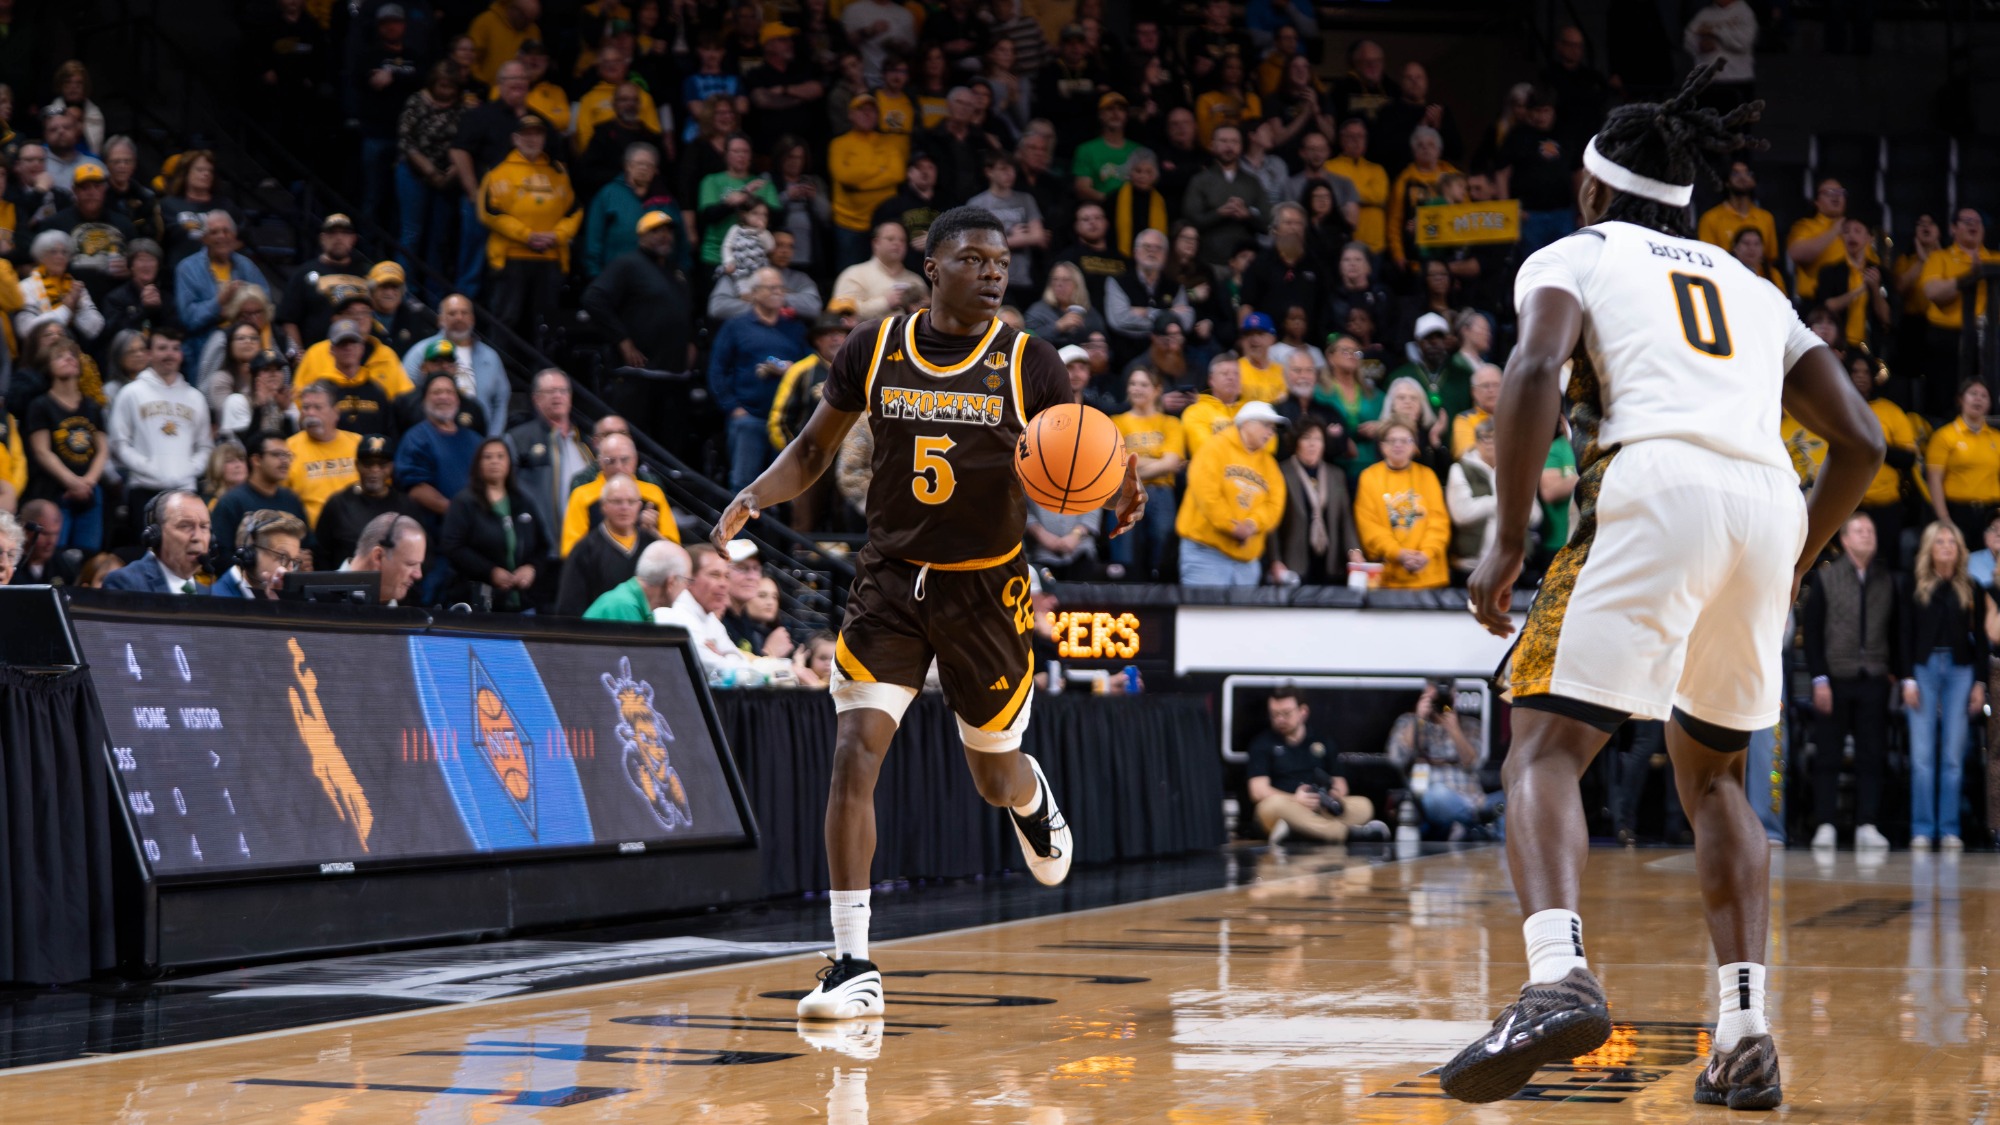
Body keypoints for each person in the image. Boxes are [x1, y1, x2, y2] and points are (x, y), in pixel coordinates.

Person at [1446, 65, 1883, 1109]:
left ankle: (1555, 976)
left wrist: (1506, 540)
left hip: (1654, 480)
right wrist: (1788, 560)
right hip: (1767, 500)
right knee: (1715, 778)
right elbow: (1859, 443)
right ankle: (1742, 1032)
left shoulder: (1576, 252)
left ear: (1592, 194)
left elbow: (1535, 370)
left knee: (1542, 746)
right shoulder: (1753, 285)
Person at [711, 206, 1143, 1020]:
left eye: (1001, 261)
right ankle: (851, 962)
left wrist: (1123, 480)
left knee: (990, 774)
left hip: (985, 592)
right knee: (853, 751)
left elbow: (1091, 445)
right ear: (932, 268)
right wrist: (754, 495)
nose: (992, 273)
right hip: (889, 582)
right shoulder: (874, 347)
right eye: (974, 259)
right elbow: (812, 449)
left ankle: (1029, 795)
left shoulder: (1030, 360)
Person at [1799, 514, 1896, 851]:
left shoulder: (1885, 578)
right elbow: (1811, 633)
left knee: (1872, 754)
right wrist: (1819, 678)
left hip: (1873, 678)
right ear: (1844, 539)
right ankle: (1825, 822)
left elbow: (1895, 629)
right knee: (1828, 753)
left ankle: (1867, 824)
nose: (1867, 535)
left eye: (1871, 530)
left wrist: (1893, 670)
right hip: (1835, 679)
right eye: (1859, 530)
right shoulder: (1827, 579)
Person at [477, 114, 580, 336]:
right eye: (526, 134)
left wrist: (557, 235)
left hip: (550, 257)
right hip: (511, 257)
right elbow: (488, 212)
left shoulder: (559, 172)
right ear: (515, 138)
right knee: (505, 319)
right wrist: (527, 235)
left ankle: (545, 371)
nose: (532, 139)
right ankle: (499, 369)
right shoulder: (498, 173)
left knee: (546, 325)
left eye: (537, 134)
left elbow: (574, 210)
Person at [710, 267, 810, 490]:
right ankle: (742, 526)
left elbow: (811, 365)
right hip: (749, 417)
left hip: (787, 421)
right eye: (771, 288)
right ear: (754, 293)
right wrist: (733, 408)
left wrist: (791, 369)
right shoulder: (736, 327)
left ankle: (780, 525)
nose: (777, 292)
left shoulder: (795, 328)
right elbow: (717, 370)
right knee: (744, 484)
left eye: (780, 288)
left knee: (787, 486)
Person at [1247, 688, 1386, 844]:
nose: (1280, 720)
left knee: (1364, 805)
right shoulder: (1262, 743)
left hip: (1319, 808)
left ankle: (1298, 832)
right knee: (1270, 806)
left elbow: (1340, 785)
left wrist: (1329, 797)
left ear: (1303, 711)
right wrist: (1297, 799)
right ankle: (1345, 834)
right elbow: (1257, 791)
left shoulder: (1323, 741)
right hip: (1287, 805)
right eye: (1275, 715)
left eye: (1286, 713)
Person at [109, 329, 212, 537]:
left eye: (175, 349)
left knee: (184, 551)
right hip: (144, 490)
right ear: (149, 354)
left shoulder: (196, 397)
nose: (170, 354)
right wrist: (148, 467)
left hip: (186, 490)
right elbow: (119, 443)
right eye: (162, 348)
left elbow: (205, 446)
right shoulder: (131, 393)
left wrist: (190, 468)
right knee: (150, 553)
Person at [1175, 399, 1286, 586]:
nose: (1270, 433)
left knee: (1240, 616)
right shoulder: (1214, 448)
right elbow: (1206, 494)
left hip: (1246, 562)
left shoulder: (1270, 465)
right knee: (1205, 615)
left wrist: (1252, 524)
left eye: (1273, 429)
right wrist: (1231, 526)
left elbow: (1275, 504)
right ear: (1247, 423)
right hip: (1205, 554)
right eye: (1266, 426)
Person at [22, 337, 107, 552]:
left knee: (87, 552)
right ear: (48, 367)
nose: (68, 359)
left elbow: (103, 448)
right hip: (55, 489)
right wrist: (72, 482)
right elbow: (41, 451)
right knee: (54, 551)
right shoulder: (40, 405)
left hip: (90, 490)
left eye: (71, 355)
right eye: (59, 356)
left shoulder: (92, 406)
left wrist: (88, 482)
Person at [1386, 680, 1500, 837]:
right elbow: (1396, 758)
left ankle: (1471, 827)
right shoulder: (1408, 722)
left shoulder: (1469, 725)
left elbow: (1474, 763)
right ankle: (1478, 823)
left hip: (1472, 798)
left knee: (1510, 798)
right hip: (1434, 799)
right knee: (1437, 795)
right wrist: (1418, 719)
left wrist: (1454, 730)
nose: (1440, 700)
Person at [441, 438, 543, 610]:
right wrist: (490, 572)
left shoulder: (524, 501)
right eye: (487, 457)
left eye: (500, 456)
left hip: (523, 604)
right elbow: (452, 547)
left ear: (510, 462)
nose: (494, 461)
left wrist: (531, 569)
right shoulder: (464, 502)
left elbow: (543, 547)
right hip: (477, 603)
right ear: (478, 464)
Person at [1919, 207, 2000, 415]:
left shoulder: (1995, 259)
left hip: (1990, 340)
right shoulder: (1940, 258)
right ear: (1953, 228)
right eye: (1966, 221)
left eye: (1977, 221)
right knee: (1945, 402)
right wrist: (1970, 275)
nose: (1973, 225)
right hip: (1948, 342)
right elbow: (1933, 292)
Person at [1109, 368, 1185, 581]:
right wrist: (1157, 463)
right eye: (1133, 383)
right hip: (1126, 491)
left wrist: (1134, 465)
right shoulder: (1117, 421)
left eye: (1143, 384)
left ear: (1157, 390)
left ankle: (1157, 576)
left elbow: (1171, 462)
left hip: (1161, 491)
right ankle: (1123, 579)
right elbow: (1115, 462)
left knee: (1162, 537)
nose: (1136, 389)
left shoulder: (1171, 423)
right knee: (1124, 539)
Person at [1354, 421, 1449, 589]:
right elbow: (1370, 527)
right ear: (1382, 446)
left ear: (1414, 445)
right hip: (1387, 578)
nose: (1398, 445)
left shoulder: (1427, 476)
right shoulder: (1368, 477)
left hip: (1430, 575)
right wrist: (1398, 554)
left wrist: (1427, 553)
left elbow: (1439, 522)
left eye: (1405, 440)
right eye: (1392, 440)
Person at [505, 369, 593, 548]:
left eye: (563, 391)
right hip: (542, 546)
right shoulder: (518, 438)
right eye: (550, 391)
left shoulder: (585, 443)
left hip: (584, 546)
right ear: (536, 399)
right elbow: (502, 489)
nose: (557, 396)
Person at [1447, 417, 1542, 580]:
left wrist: (1488, 505)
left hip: (1513, 564)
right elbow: (1462, 514)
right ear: (1477, 441)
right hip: (1471, 565)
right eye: (1486, 437)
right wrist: (1505, 503)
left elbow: (1534, 515)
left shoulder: (1518, 469)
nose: (1491, 443)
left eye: (1497, 438)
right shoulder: (1460, 469)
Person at [314, 434, 424, 573]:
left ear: (392, 467)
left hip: (394, 590)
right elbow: (321, 555)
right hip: (345, 588)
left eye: (382, 464)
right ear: (357, 465)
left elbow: (421, 556)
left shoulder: (407, 506)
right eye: (368, 464)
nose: (374, 470)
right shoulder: (338, 504)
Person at [402, 295, 509, 438]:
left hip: (479, 435)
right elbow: (407, 394)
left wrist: (492, 439)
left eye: (464, 313)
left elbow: (501, 401)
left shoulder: (490, 356)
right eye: (452, 313)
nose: (459, 318)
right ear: (440, 319)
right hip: (431, 435)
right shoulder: (421, 351)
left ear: (473, 319)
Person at [556, 473, 662, 615]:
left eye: (631, 501)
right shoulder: (585, 549)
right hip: (601, 630)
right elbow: (569, 606)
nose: (624, 507)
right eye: (617, 502)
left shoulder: (652, 544)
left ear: (639, 506)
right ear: (604, 506)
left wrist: (656, 533)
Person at [560, 432, 677, 555]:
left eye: (625, 460)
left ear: (635, 459)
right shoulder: (582, 495)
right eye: (610, 461)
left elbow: (674, 550)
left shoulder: (653, 494)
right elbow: (571, 551)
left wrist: (652, 532)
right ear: (600, 462)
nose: (618, 467)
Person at [1270, 422, 1357, 586]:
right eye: (1306, 438)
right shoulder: (1281, 472)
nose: (1312, 444)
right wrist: (1275, 560)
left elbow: (1345, 519)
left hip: (1330, 563)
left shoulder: (1336, 475)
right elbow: (1272, 524)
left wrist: (1355, 552)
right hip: (1293, 564)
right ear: (1296, 442)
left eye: (1318, 439)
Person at [396, 371, 486, 529]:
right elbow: (416, 490)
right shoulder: (416, 439)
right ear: (424, 400)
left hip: (476, 530)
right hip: (436, 532)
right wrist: (457, 513)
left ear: (457, 400)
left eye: (449, 392)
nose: (443, 397)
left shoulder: (475, 440)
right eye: (436, 392)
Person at [829, 96, 908, 268]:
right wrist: (879, 170)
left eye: (871, 110)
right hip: (849, 222)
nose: (867, 114)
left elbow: (897, 174)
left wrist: (859, 185)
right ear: (851, 115)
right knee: (849, 274)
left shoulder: (889, 143)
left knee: (886, 272)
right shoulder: (839, 144)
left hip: (883, 223)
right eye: (861, 110)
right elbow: (844, 176)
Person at [276, 214, 370, 353]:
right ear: (322, 238)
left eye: (345, 233)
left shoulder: (365, 274)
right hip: (316, 360)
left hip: (357, 361)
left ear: (353, 239)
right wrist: (298, 353)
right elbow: (288, 320)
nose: (338, 238)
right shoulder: (303, 273)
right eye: (332, 233)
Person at [208, 430, 309, 556]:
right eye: (277, 454)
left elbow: (308, 545)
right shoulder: (231, 502)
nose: (285, 461)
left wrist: (305, 560)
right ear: (256, 460)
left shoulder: (292, 499)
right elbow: (221, 556)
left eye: (287, 455)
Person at [1925, 380, 2000, 549]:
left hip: (1992, 513)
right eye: (1973, 394)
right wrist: (1944, 519)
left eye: (1984, 396)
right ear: (1961, 399)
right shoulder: (1944, 436)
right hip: (1958, 512)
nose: (1978, 399)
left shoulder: (1996, 438)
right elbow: (1934, 480)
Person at [172, 212, 269, 341]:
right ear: (204, 238)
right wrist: (218, 302)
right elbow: (189, 319)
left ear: (234, 236)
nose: (221, 236)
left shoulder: (247, 266)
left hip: (246, 342)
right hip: (204, 347)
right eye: (214, 232)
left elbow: (266, 305)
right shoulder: (187, 268)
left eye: (226, 231)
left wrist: (240, 309)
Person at [1184, 126, 1268, 267]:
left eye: (1234, 142)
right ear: (1212, 145)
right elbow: (1191, 220)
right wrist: (1219, 213)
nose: (1229, 146)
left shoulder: (1252, 182)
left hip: (1246, 263)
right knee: (1194, 290)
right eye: (1223, 141)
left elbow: (1268, 223)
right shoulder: (1200, 181)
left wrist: (1247, 216)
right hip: (1209, 261)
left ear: (1241, 146)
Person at [99, 489, 211, 594]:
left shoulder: (207, 593)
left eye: (204, 527)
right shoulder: (125, 583)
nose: (198, 537)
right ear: (155, 535)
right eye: (185, 526)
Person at [285, 382, 362, 529]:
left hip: (357, 530)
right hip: (311, 536)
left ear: (336, 412)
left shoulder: (357, 443)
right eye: (306, 407)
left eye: (318, 407)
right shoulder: (288, 449)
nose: (310, 413)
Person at [1817, 218, 1891, 350]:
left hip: (1871, 346)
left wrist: (1874, 289)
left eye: (1857, 231)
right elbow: (1827, 307)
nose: (1851, 235)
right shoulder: (1830, 271)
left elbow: (1886, 318)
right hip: (1838, 346)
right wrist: (1861, 289)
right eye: (1846, 232)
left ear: (1869, 238)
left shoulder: (1881, 273)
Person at [832, 221, 929, 320]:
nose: (897, 243)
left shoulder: (916, 280)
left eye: (902, 240)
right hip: (868, 335)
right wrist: (885, 303)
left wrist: (923, 308)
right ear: (876, 243)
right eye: (890, 239)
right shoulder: (853, 274)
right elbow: (842, 314)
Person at [584, 538, 691, 621]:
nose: (687, 588)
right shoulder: (623, 608)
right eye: (687, 581)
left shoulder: (631, 604)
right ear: (671, 583)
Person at [211, 509, 308, 599]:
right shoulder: (218, 599)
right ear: (250, 554)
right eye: (282, 557)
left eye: (294, 562)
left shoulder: (281, 599)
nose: (290, 570)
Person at [1786, 177, 1850, 305]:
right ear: (1817, 201)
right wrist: (1834, 231)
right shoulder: (1806, 226)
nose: (1836, 197)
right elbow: (1796, 253)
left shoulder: (1853, 228)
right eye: (1829, 193)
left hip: (1851, 301)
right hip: (1817, 303)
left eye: (1840, 192)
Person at [344, 510, 427, 604]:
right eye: (411, 564)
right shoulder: (324, 606)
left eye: (419, 564)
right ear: (378, 557)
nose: (418, 575)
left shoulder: (399, 610)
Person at [1696, 161, 1778, 255]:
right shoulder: (1710, 218)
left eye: (1748, 173)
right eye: (1735, 173)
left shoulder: (1766, 218)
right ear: (1726, 182)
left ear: (1755, 181)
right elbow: (1707, 257)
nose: (1742, 177)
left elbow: (1770, 257)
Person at [11, 499, 79, 586]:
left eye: (56, 533)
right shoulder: (9, 562)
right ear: (26, 529)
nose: (51, 541)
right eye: (45, 533)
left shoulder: (63, 566)